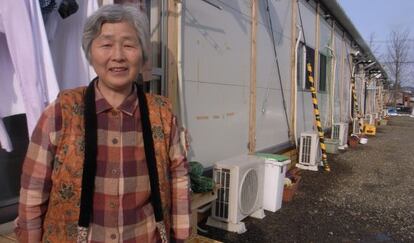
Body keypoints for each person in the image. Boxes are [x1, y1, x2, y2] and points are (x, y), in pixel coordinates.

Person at [15, 4, 190, 243]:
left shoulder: (162, 114)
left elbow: (179, 178)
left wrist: (180, 236)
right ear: (90, 52)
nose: (117, 55)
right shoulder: (61, 111)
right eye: (106, 44)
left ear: (142, 53)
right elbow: (34, 189)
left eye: (129, 44)